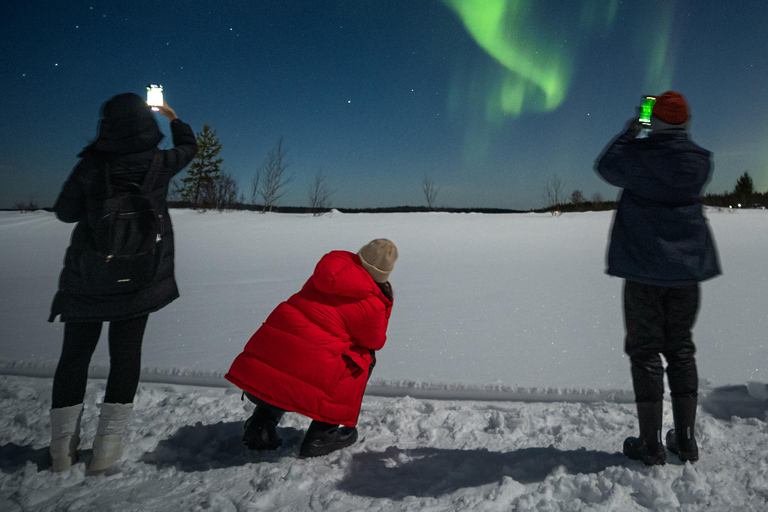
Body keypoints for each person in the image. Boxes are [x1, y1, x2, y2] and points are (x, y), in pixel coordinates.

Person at [48, 93, 197, 474]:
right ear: (146, 125)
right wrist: (173, 117)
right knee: (126, 357)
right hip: (138, 279)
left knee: (74, 358)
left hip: (88, 277)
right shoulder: (158, 163)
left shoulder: (90, 166)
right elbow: (189, 148)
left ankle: (61, 451)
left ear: (107, 126)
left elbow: (65, 212)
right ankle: (106, 451)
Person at [595, 91, 720, 465]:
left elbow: (606, 167)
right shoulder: (699, 162)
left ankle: (650, 444)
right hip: (686, 270)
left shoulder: (638, 157)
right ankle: (685, 441)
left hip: (644, 270)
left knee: (645, 351)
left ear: (656, 120)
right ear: (686, 122)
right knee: (680, 348)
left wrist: (633, 130)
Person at [226, 239, 398, 457]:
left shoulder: (330, 273)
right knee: (364, 358)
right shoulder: (372, 302)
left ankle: (261, 424)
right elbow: (374, 341)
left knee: (295, 350)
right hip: (303, 370)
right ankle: (323, 434)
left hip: (263, 368)